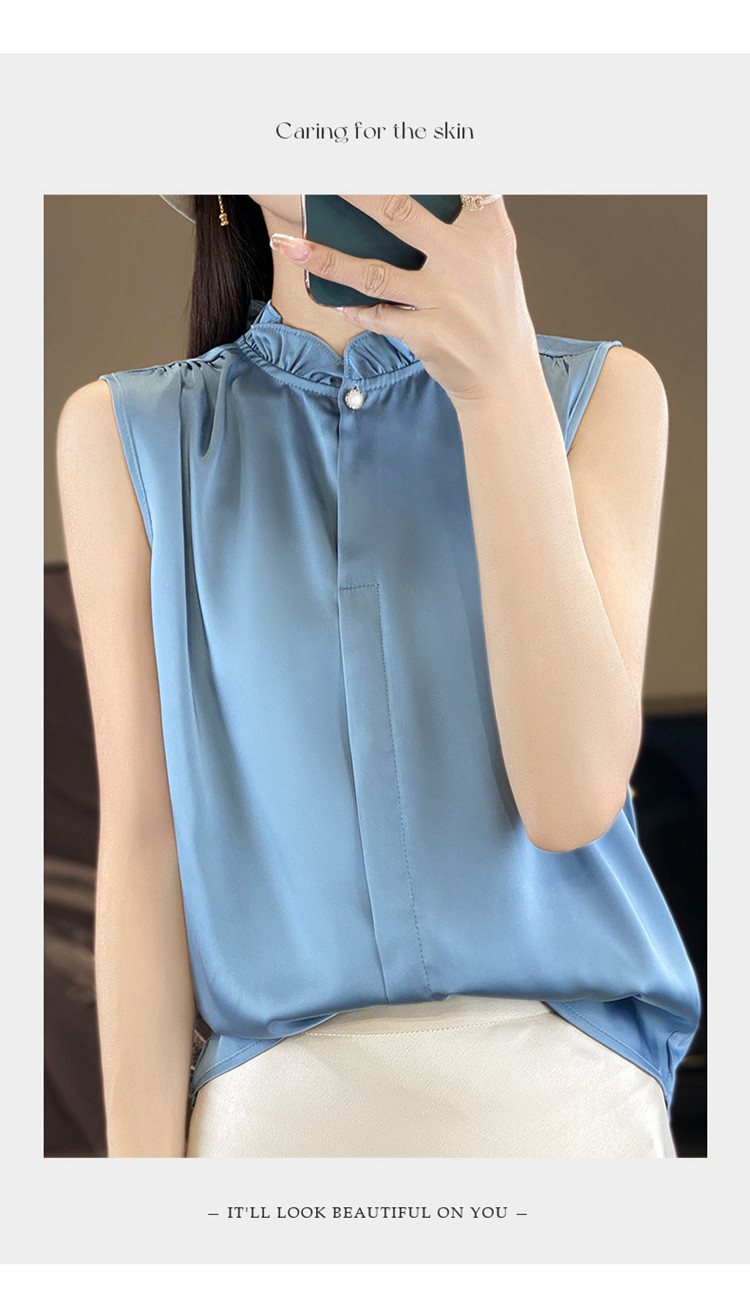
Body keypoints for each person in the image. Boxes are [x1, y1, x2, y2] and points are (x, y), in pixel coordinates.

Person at [56, 194, 701, 1159]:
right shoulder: (127, 432)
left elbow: (571, 802)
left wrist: (497, 386)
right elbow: (145, 845)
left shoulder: (601, 394)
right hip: (272, 1117)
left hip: (573, 1109)